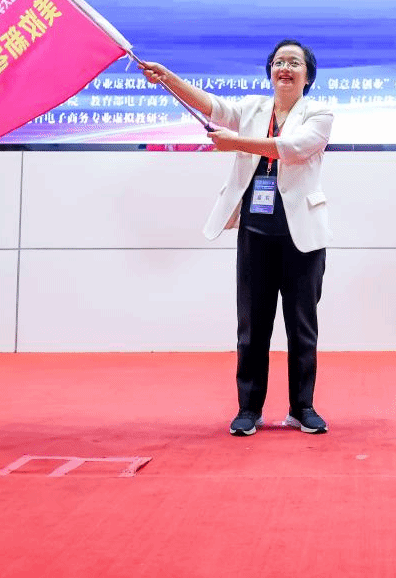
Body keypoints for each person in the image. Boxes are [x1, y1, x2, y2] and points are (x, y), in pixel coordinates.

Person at [138, 39, 332, 436]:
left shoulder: (320, 113)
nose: (285, 68)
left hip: (302, 235)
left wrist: (234, 143)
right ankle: (249, 408)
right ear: (270, 71)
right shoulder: (252, 108)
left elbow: (292, 148)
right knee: (252, 326)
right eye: (279, 62)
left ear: (307, 75)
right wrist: (169, 78)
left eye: (294, 63)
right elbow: (212, 106)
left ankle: (303, 407)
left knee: (302, 327)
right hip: (255, 231)